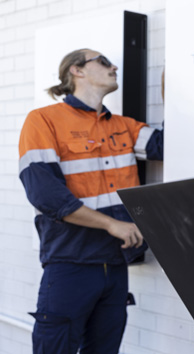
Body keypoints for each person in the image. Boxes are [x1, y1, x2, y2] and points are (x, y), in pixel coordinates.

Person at [18, 49, 163, 354]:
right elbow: (47, 196)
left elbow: (165, 146)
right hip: (71, 264)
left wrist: (169, 97)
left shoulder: (123, 126)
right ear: (77, 71)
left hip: (115, 265)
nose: (113, 67)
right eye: (103, 61)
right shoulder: (43, 120)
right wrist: (112, 224)